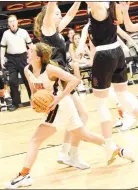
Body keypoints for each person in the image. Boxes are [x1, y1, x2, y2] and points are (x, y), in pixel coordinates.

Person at [4, 42, 131, 189]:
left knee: (35, 140)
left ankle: (24, 175)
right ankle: (119, 150)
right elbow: (34, 90)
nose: (27, 52)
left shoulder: (50, 69)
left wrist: (59, 97)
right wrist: (34, 100)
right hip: (58, 107)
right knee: (85, 135)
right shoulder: (27, 70)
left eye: (30, 50)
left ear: (38, 57)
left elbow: (74, 80)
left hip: (60, 106)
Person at [76, 2, 138, 159]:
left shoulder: (99, 8)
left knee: (101, 103)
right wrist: (80, 48)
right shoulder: (103, 13)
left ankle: (109, 145)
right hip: (118, 53)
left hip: (104, 56)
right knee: (123, 96)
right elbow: (85, 33)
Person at [34, 2, 91, 169]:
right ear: (49, 16)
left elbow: (71, 15)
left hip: (63, 77)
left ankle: (66, 153)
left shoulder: (56, 31)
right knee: (82, 116)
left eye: (60, 14)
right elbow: (51, 6)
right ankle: (71, 154)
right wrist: (53, 5)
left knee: (77, 118)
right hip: (58, 80)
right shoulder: (47, 28)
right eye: (57, 14)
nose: (60, 16)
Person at [0, 15, 33, 111]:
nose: (12, 23)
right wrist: (2, 58)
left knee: (28, 80)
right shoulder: (6, 34)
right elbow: (2, 47)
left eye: (14, 21)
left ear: (17, 22)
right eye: (10, 21)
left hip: (23, 57)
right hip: (11, 59)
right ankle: (16, 103)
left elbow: (30, 45)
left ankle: (33, 99)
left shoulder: (23, 32)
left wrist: (34, 55)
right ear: (8, 24)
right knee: (13, 81)